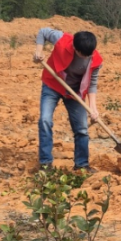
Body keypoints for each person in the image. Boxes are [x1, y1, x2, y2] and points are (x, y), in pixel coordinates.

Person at [32, 28, 102, 173]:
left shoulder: (95, 59)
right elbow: (43, 32)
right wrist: (39, 50)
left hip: (74, 93)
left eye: (88, 55)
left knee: (82, 128)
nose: (85, 58)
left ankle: (81, 165)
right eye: (81, 55)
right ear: (74, 47)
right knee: (45, 120)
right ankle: (46, 164)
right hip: (53, 84)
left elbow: (92, 83)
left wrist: (93, 108)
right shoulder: (62, 39)